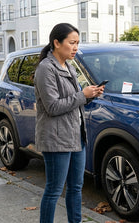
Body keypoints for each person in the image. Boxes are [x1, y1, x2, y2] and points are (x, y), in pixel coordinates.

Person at [34, 23, 104, 223]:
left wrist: (91, 95)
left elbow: (74, 99)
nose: (75, 48)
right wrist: (83, 95)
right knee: (54, 190)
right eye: (71, 43)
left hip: (76, 137)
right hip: (57, 140)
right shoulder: (46, 69)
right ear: (56, 43)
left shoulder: (69, 67)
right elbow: (53, 107)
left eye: (77, 43)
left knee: (76, 187)